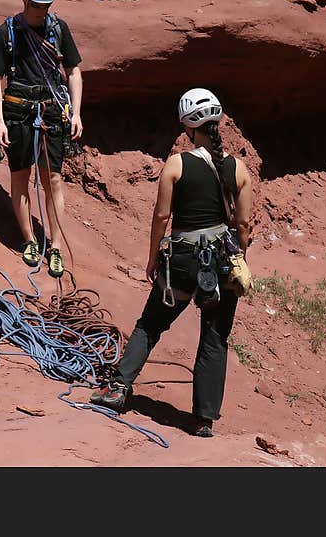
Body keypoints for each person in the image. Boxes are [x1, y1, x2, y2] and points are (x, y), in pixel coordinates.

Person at [89, 88, 253, 437]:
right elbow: (244, 225)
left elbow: (162, 216)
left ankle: (118, 389)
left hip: (180, 262)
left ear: (188, 127)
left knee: (151, 324)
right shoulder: (239, 169)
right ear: (218, 121)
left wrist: (152, 259)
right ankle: (204, 419)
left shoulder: (177, 164)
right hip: (222, 263)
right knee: (215, 337)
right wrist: (236, 256)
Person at [0, 0, 84, 278]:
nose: (42, 12)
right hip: (18, 112)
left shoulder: (58, 29)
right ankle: (29, 240)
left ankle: (54, 245)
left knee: (53, 179)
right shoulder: (8, 32)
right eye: (37, 6)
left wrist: (76, 112)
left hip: (53, 111)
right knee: (20, 176)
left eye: (46, 6)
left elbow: (73, 71)